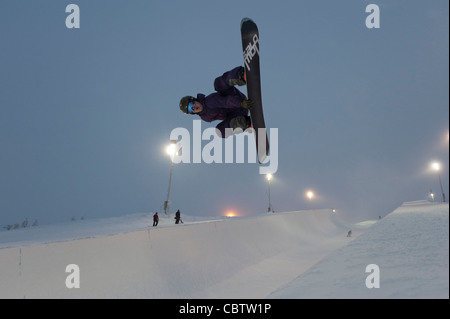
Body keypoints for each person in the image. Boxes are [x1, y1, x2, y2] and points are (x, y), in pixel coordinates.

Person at [179, 66, 254, 138]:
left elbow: (225, 101)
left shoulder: (209, 101)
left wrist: (241, 103)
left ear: (195, 99)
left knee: (218, 84)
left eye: (192, 104)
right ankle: (246, 124)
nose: (194, 107)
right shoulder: (205, 117)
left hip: (238, 100)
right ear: (192, 113)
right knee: (220, 131)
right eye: (190, 109)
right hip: (239, 114)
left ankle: (241, 75)